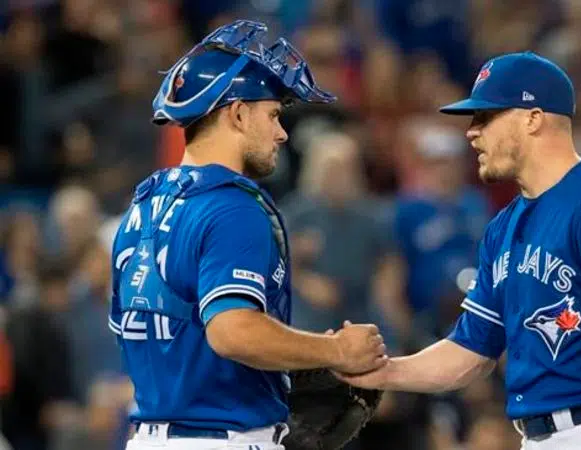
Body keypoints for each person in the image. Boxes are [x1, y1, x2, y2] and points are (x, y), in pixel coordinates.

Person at [338, 52, 581, 450]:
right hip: (538, 437)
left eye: (486, 117)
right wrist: (385, 373)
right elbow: (470, 351)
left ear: (532, 118)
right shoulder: (501, 226)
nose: (472, 133)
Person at [107, 20, 387, 450]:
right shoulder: (233, 207)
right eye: (273, 114)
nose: (282, 132)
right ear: (237, 113)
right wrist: (336, 352)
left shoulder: (143, 205)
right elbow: (232, 331)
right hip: (221, 438)